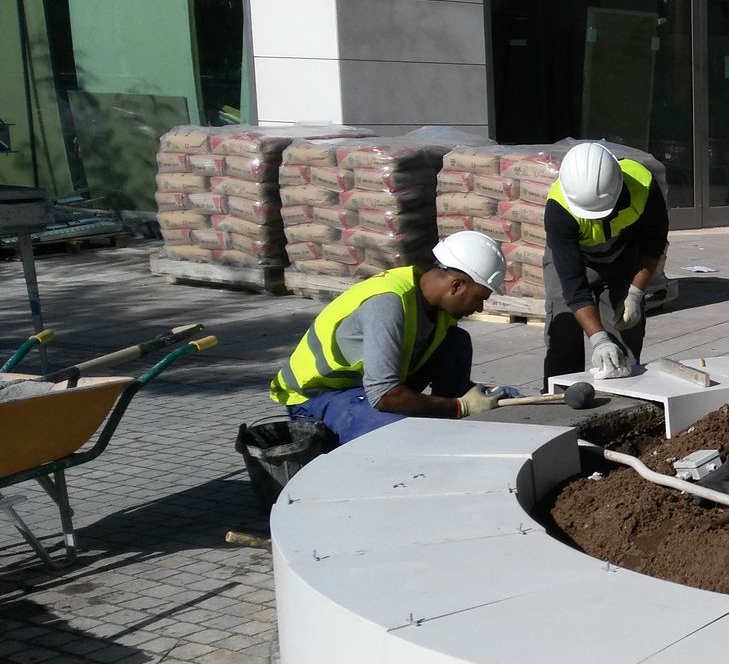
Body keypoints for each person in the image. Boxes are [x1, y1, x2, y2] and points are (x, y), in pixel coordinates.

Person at [270, 232, 510, 443]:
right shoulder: (388, 303)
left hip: (368, 388)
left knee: (456, 342)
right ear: (456, 286)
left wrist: (486, 395)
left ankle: (443, 421)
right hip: (319, 396)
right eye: (479, 298)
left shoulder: (434, 306)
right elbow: (383, 395)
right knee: (400, 437)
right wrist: (461, 406)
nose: (479, 308)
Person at [544, 141, 668, 384]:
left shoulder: (643, 186)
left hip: (624, 257)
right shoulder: (559, 208)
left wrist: (635, 294)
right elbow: (573, 285)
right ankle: (560, 395)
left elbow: (653, 247)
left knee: (625, 335)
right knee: (564, 329)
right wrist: (598, 339)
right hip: (576, 256)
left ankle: (622, 396)